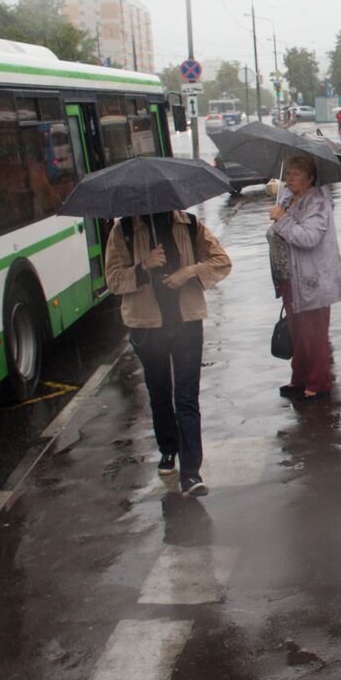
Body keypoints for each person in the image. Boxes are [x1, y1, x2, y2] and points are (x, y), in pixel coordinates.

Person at [105, 208, 233, 497]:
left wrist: (190, 272)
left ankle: (191, 472)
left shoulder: (188, 223)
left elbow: (221, 261)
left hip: (186, 321)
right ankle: (167, 449)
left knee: (186, 397)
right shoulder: (123, 229)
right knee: (159, 393)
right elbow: (112, 280)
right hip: (147, 326)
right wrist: (143, 267)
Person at [269, 154, 341, 399]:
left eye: (296, 174)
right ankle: (300, 378)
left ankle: (318, 383)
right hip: (289, 278)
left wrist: (281, 220)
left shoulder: (317, 202)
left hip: (312, 279)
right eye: (288, 173)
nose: (289, 178)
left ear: (310, 178)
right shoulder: (288, 198)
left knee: (314, 332)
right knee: (298, 332)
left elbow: (308, 238)